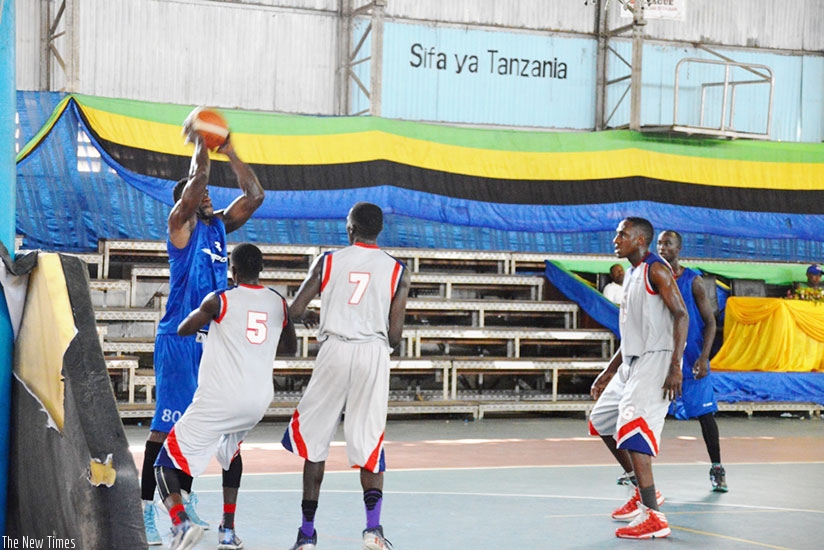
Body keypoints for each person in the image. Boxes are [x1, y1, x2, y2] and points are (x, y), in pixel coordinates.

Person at [141, 120, 265, 545]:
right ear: (186, 205)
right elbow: (196, 183)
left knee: (199, 427)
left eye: (208, 194)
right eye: (200, 195)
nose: (208, 196)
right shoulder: (182, 227)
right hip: (178, 338)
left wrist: (229, 150)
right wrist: (201, 143)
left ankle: (183, 501)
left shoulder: (217, 227)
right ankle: (145, 514)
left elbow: (255, 197)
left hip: (209, 342)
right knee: (164, 429)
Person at [281, 202, 411, 550]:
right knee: (369, 441)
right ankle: (373, 530)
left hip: (335, 350)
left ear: (349, 229)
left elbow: (294, 310)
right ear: (379, 231)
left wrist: (311, 316)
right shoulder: (398, 270)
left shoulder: (328, 261)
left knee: (316, 439)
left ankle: (307, 533)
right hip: (372, 352)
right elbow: (396, 335)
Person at [154, 243, 297, 550]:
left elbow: (182, 329)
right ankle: (228, 532)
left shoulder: (220, 300)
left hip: (221, 399)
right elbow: (289, 348)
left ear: (233, 271)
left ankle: (180, 523)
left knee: (164, 462)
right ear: (261, 269)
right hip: (257, 401)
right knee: (230, 453)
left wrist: (204, 315)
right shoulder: (278, 302)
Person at [588, 217, 688, 540]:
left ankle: (654, 517)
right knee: (602, 421)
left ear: (641, 239)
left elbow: (682, 315)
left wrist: (675, 366)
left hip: (656, 361)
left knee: (633, 432)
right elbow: (631, 333)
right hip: (631, 361)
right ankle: (641, 490)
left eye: (623, 234)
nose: (616, 238)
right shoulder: (630, 274)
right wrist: (609, 370)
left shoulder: (656, 270)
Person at [657, 230, 727, 492]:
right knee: (650, 414)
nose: (663, 247)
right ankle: (636, 472)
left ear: (679, 249)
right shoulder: (652, 277)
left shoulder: (692, 281)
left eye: (668, 243)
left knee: (706, 416)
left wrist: (704, 356)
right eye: (660, 243)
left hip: (691, 360)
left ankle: (717, 467)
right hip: (661, 359)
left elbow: (710, 322)